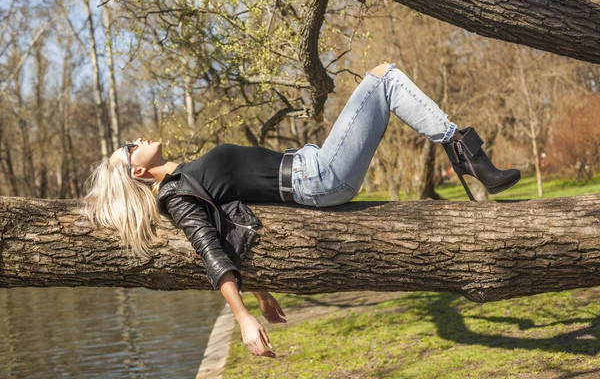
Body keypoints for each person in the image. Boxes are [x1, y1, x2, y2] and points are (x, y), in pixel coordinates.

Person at [81, 62, 520, 358]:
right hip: (317, 176)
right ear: (138, 174)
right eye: (128, 149)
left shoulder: (189, 175)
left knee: (383, 77)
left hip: (314, 169)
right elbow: (211, 252)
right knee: (384, 76)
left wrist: (262, 291)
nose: (136, 140)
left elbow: (233, 225)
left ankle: (462, 150)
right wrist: (243, 319)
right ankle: (464, 151)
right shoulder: (177, 193)